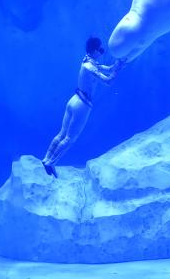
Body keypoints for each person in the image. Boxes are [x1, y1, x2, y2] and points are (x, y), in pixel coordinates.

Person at [41, 37, 124, 177]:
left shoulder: (87, 60)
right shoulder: (90, 66)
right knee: (69, 138)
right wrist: (116, 72)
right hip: (83, 105)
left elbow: (106, 68)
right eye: (100, 49)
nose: (102, 51)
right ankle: (51, 163)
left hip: (74, 99)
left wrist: (117, 65)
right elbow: (108, 81)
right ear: (94, 50)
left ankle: (46, 158)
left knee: (61, 133)